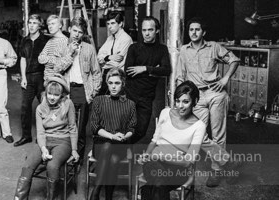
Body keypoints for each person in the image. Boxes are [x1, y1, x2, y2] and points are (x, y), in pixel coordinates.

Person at [176, 17, 241, 187]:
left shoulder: (213, 47)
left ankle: (216, 171)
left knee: (218, 134)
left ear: (203, 32)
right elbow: (180, 77)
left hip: (215, 94)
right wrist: (180, 101)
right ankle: (227, 160)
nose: (194, 33)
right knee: (198, 134)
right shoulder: (184, 50)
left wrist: (225, 78)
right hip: (196, 96)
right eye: (191, 30)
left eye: (197, 29)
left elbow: (234, 60)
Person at [14, 74, 79, 200]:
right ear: (46, 92)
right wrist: (43, 148)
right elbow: (40, 132)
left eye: (56, 94)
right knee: (28, 165)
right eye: (50, 93)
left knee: (52, 166)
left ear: (61, 95)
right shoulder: (40, 108)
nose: (52, 97)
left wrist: (74, 149)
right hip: (44, 140)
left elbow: (73, 127)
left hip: (63, 141)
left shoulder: (68, 104)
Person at [138, 81, 206, 200]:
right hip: (153, 164)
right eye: (178, 101)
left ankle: (146, 191)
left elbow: (187, 162)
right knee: (159, 182)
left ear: (194, 102)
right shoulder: (165, 113)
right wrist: (146, 156)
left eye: (185, 101)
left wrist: (161, 157)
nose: (180, 106)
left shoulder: (199, 126)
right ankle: (147, 190)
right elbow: (154, 141)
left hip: (179, 170)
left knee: (157, 185)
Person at [55, 16, 102, 160]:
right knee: (65, 127)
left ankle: (77, 159)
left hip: (83, 92)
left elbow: (96, 72)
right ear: (69, 29)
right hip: (66, 92)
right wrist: (70, 53)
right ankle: (64, 156)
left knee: (80, 129)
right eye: (74, 30)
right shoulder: (62, 47)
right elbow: (57, 69)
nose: (76, 34)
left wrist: (94, 92)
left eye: (80, 32)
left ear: (83, 34)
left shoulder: (88, 49)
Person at [89, 68, 136, 200]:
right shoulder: (98, 101)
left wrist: (123, 136)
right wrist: (112, 136)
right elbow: (94, 127)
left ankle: (96, 193)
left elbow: (132, 128)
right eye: (110, 83)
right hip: (100, 144)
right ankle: (100, 193)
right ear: (107, 83)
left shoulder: (130, 104)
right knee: (109, 149)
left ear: (123, 84)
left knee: (114, 157)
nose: (113, 86)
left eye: (117, 83)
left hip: (119, 144)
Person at [125, 16, 171, 144]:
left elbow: (166, 70)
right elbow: (128, 71)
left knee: (141, 131)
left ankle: (122, 146)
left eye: (150, 30)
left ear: (157, 30)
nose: (146, 33)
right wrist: (154, 71)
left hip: (147, 97)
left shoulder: (162, 49)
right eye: (144, 30)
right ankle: (121, 154)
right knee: (125, 129)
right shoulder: (133, 48)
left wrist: (145, 69)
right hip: (130, 95)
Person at [14, 14, 49, 147]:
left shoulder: (45, 40)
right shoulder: (24, 40)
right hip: (28, 77)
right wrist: (23, 77)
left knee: (46, 107)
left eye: (35, 23)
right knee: (25, 107)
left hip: (41, 77)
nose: (32, 25)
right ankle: (26, 136)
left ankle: (46, 136)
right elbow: (22, 59)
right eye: (30, 22)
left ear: (40, 25)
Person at [97, 11, 133, 94]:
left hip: (119, 77)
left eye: (113, 23)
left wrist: (104, 62)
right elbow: (98, 57)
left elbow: (117, 63)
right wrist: (108, 57)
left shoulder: (126, 39)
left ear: (120, 24)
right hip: (107, 77)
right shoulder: (109, 38)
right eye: (108, 24)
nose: (110, 27)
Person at [38, 15, 69, 80]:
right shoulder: (50, 41)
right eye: (49, 24)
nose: (50, 26)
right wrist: (54, 59)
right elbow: (40, 58)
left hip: (59, 80)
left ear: (60, 25)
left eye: (53, 24)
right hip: (47, 79)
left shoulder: (65, 41)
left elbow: (63, 64)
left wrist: (47, 60)